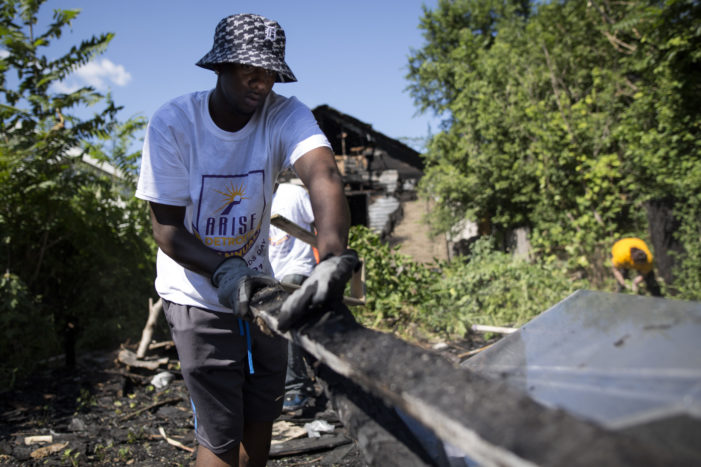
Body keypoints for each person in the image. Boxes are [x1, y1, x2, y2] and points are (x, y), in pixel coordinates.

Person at [135, 13, 356, 467]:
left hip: (261, 292)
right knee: (219, 433)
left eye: (270, 71)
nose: (261, 82)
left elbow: (323, 173)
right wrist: (222, 268)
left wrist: (331, 256)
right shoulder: (175, 124)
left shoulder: (283, 113)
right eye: (249, 70)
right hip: (195, 292)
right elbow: (167, 229)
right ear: (220, 67)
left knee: (261, 414)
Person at [269, 181, 318, 413]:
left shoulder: (294, 193)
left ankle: (295, 387)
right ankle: (315, 379)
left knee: (284, 320)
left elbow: (320, 218)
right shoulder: (251, 196)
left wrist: (330, 256)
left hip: (298, 266)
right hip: (271, 274)